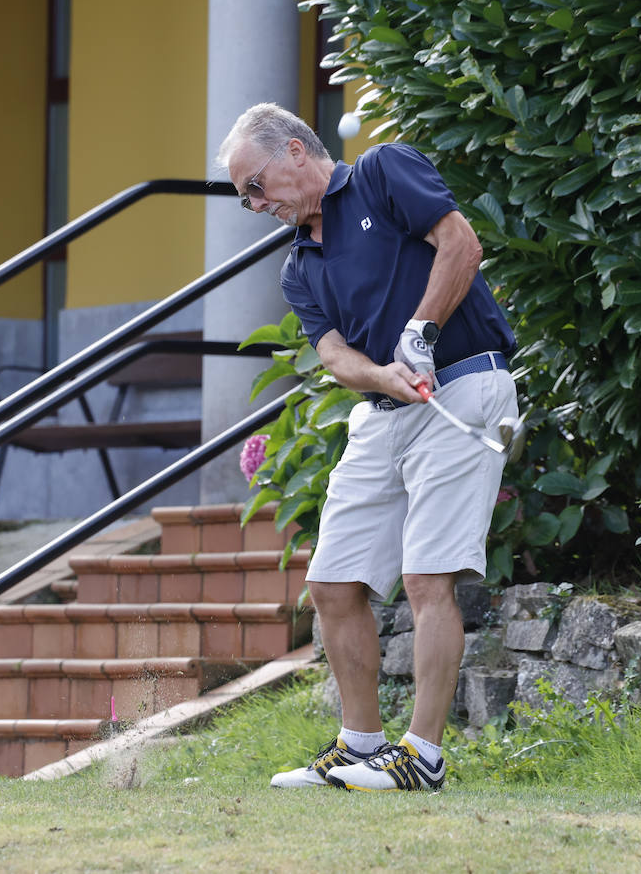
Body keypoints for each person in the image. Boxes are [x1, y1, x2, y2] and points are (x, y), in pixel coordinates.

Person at [217, 103, 517, 791]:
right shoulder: (300, 266)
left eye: (257, 186)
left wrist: (420, 334)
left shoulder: (383, 173)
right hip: (385, 409)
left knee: (426, 578)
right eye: (245, 198)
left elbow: (461, 244)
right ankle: (359, 747)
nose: (256, 204)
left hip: (464, 387)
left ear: (296, 152)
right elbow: (334, 357)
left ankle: (423, 758)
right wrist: (383, 373)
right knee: (331, 583)